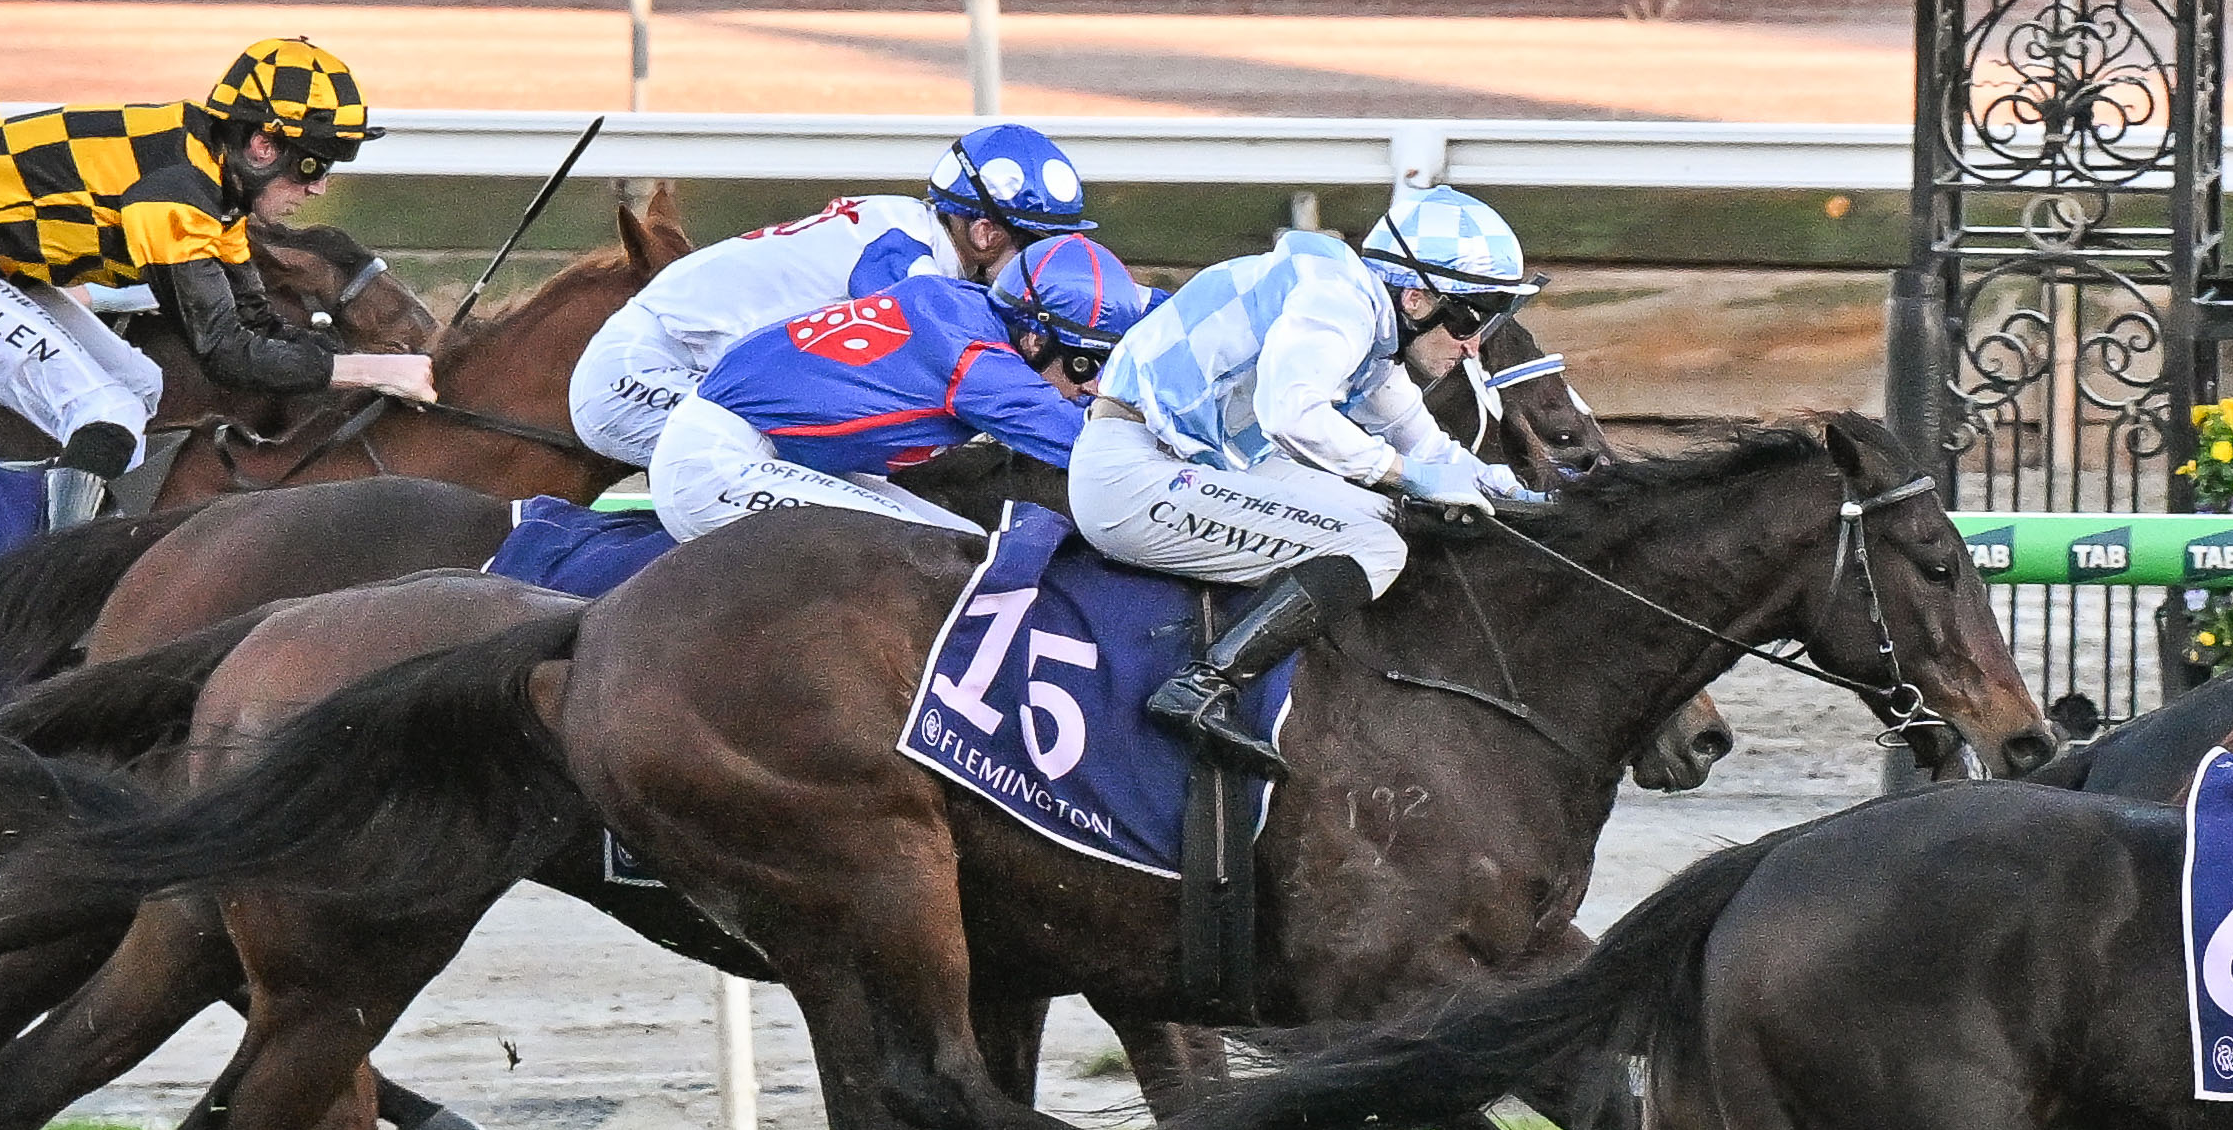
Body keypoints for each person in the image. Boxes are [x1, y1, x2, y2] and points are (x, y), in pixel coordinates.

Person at [1073, 184, 1556, 777]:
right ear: (1417, 299)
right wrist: (1408, 475)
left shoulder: (1367, 327)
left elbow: (1423, 442)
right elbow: (1291, 413)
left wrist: (1500, 486)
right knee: (1376, 546)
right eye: (1470, 323)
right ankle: (1201, 686)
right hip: (1131, 476)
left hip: (1189, 460)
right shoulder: (1335, 304)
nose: (1474, 347)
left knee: (1383, 519)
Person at [0, 35, 432, 517]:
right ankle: (43, 577)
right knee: (105, 411)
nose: (320, 186)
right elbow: (225, 355)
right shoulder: (177, 197)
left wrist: (357, 359)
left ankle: (68, 508)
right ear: (262, 145)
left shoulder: (214, 184)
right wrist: (370, 369)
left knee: (140, 387)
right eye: (314, 163)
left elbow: (256, 321)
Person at [569, 121, 1095, 469]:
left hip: (689, 361)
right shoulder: (909, 260)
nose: (1047, 266)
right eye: (1039, 246)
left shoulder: (917, 238)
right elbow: (966, 375)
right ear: (985, 234)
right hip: (641, 369)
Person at [646, 232, 1147, 542]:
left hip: (759, 445)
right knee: (938, 553)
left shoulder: (959, 298)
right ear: (1035, 338)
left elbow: (883, 254)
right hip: (714, 466)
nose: (1094, 384)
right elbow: (1093, 449)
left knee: (965, 540)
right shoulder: (979, 366)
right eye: (1086, 363)